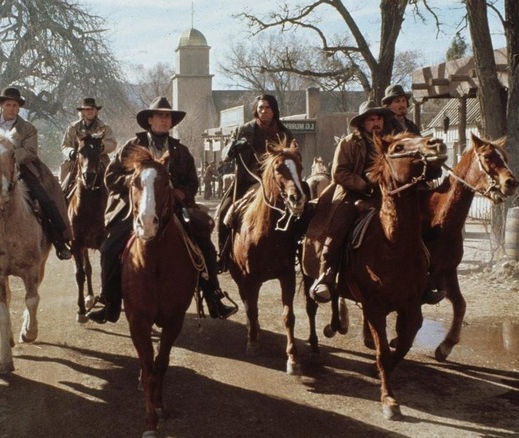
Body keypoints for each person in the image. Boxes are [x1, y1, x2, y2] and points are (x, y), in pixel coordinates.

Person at [86, 96, 237, 324]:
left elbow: (192, 182)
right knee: (109, 247)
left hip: (172, 209)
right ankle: (108, 301)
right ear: (150, 119)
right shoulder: (131, 146)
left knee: (203, 240)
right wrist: (136, 183)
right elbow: (111, 176)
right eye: (160, 115)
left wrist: (181, 193)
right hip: (136, 209)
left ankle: (213, 295)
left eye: (168, 116)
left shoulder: (181, 151)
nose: (164, 120)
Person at [305, 100, 444, 305]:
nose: (376, 122)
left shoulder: (391, 144)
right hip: (353, 195)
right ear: (363, 123)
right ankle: (327, 274)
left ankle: (424, 277)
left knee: (420, 224)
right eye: (371, 119)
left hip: (387, 195)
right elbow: (339, 173)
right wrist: (364, 184)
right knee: (339, 226)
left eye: (379, 118)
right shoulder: (349, 143)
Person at [0, 87, 72, 274]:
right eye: (8, 104)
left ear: (19, 108)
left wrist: (9, 158)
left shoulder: (28, 128)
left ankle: (60, 241)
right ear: (1, 106)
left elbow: (31, 151)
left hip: (22, 171)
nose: (11, 108)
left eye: (15, 105)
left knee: (46, 199)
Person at [215, 94, 296, 272]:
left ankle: (302, 250)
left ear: (274, 110)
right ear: (256, 110)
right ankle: (223, 255)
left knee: (302, 208)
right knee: (224, 212)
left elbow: (293, 156)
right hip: (247, 181)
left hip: (278, 183)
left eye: (267, 107)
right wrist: (233, 147)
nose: (263, 111)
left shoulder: (285, 133)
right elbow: (224, 155)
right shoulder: (244, 130)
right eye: (260, 107)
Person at [59, 97, 116, 193]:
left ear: (96, 111)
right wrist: (72, 152)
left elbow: (112, 143)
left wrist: (102, 147)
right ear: (82, 111)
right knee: (63, 189)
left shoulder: (105, 128)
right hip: (77, 161)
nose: (90, 111)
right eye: (86, 109)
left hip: (99, 159)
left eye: (92, 109)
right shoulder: (72, 127)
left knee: (112, 186)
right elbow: (65, 145)